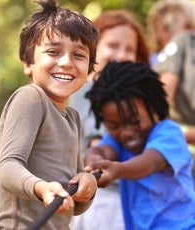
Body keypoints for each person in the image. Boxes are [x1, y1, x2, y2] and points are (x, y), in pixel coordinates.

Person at [0, 0, 99, 229]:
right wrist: (41, 188)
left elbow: (71, 201)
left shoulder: (72, 118)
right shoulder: (31, 98)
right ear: (28, 62)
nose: (66, 62)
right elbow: (7, 169)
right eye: (53, 51)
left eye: (79, 55)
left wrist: (87, 187)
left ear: (89, 69)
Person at [85, 61, 195, 230]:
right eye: (114, 126)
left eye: (134, 121)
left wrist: (117, 170)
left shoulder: (169, 133)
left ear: (155, 109)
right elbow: (101, 150)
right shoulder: (119, 141)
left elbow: (150, 162)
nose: (126, 132)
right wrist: (94, 161)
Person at [69, 9, 149, 230]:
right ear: (93, 48)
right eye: (113, 45)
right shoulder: (89, 88)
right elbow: (97, 144)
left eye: (129, 49)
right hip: (105, 203)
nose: (122, 55)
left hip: (132, 201)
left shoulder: (131, 100)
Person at [147, 0, 195, 155]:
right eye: (188, 27)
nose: (192, 34)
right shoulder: (183, 40)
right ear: (163, 30)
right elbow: (164, 92)